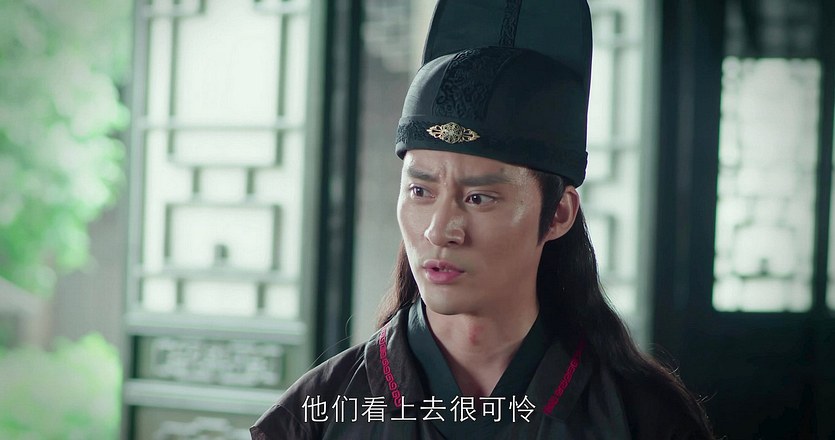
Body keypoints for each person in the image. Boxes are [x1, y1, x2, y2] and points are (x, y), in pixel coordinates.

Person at [252, 0, 715, 438]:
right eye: (420, 191)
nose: (439, 229)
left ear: (558, 214)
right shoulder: (316, 413)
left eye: (479, 198)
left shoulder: (643, 418)